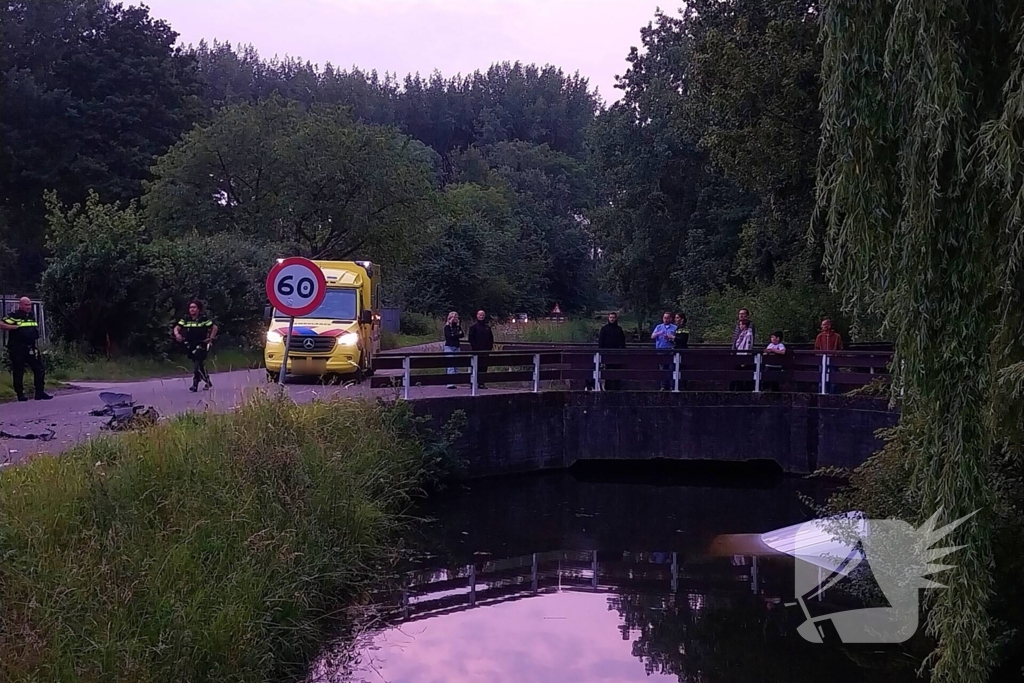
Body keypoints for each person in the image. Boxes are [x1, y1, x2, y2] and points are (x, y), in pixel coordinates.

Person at [0, 297, 52, 401]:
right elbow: (1, 324)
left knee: (39, 368)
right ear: (21, 305)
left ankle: (39, 392)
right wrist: (13, 327)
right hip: (18, 347)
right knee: (19, 370)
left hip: (31, 346)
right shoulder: (15, 316)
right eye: (26, 305)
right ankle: (20, 394)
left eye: (29, 305)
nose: (29, 307)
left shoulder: (31, 316)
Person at [174, 300, 218, 392]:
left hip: (201, 343)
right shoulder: (186, 318)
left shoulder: (203, 319)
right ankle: (207, 381)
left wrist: (211, 338)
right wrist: (177, 334)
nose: (192, 309)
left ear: (198, 309)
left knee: (197, 363)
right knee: (199, 364)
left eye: (194, 307)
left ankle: (195, 384)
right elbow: (176, 328)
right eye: (190, 307)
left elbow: (214, 327)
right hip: (190, 344)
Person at [598, 311, 627, 390]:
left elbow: (622, 342)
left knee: (617, 371)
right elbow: (601, 342)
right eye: (610, 317)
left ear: (616, 318)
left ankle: (617, 387)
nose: (612, 319)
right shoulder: (604, 329)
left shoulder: (619, 329)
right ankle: (608, 388)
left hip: (617, 354)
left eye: (613, 317)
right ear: (608, 318)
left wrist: (623, 352)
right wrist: (601, 353)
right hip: (607, 354)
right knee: (608, 371)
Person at [814, 318, 843, 394]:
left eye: (824, 325)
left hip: (833, 360)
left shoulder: (837, 336)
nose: (822, 326)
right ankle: (821, 393)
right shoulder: (819, 336)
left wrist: (836, 355)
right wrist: (819, 355)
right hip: (822, 360)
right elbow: (816, 348)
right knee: (821, 377)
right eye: (822, 325)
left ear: (829, 326)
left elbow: (840, 348)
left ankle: (833, 394)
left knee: (834, 378)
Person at [467, 309, 494, 389]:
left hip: (486, 351)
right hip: (476, 351)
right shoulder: (473, 327)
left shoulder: (487, 327)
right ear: (477, 316)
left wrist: (489, 348)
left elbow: (491, 338)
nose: (481, 316)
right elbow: (471, 339)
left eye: (483, 315)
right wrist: (476, 348)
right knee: (475, 367)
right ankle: (473, 382)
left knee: (484, 367)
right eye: (480, 315)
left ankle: (482, 383)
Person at [651, 311, 677, 390]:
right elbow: (652, 336)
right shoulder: (659, 327)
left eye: (667, 318)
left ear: (670, 319)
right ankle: (663, 386)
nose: (665, 320)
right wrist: (658, 333)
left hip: (670, 351)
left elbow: (677, 340)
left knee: (671, 369)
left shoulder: (675, 328)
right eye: (664, 318)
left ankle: (672, 386)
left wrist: (670, 338)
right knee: (662, 369)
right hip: (660, 350)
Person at [443, 311, 463, 389]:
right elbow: (449, 336)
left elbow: (462, 334)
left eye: (456, 317)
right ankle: (450, 382)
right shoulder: (447, 327)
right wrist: (456, 335)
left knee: (456, 364)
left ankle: (455, 381)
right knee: (450, 364)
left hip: (457, 346)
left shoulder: (458, 327)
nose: (455, 319)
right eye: (453, 317)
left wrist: (455, 335)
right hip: (449, 346)